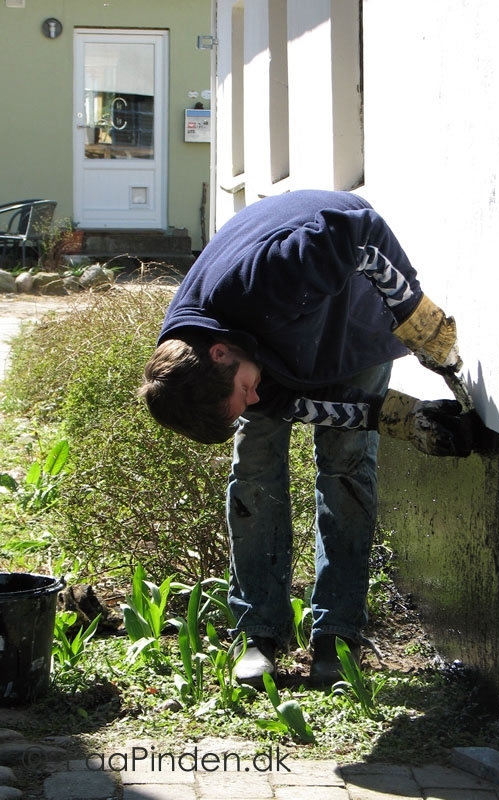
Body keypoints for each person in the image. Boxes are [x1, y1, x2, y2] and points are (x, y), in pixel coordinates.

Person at [140, 189, 473, 688]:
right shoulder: (199, 357)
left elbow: (357, 231)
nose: (252, 403)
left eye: (244, 394)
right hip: (278, 344)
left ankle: (336, 638)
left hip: (352, 316)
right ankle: (259, 634)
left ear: (220, 356)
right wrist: (402, 418)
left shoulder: (265, 281)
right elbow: (299, 404)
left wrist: (417, 320)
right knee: (253, 466)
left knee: (345, 465)